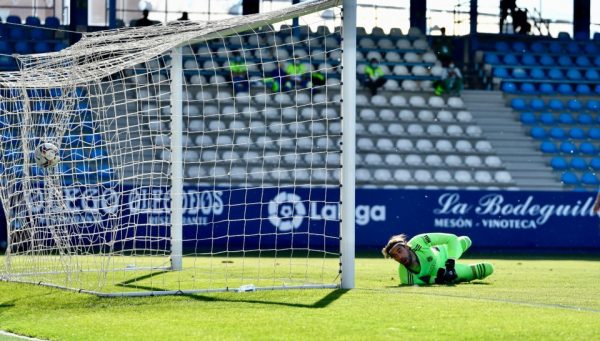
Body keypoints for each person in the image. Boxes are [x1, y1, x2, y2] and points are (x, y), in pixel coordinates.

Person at [382, 232, 494, 285]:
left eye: (400, 251)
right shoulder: (405, 277)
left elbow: (451, 238)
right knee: (487, 269)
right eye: (395, 256)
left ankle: (453, 257)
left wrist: (450, 263)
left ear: (407, 247)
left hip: (445, 252)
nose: (399, 257)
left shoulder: (418, 241)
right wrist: (440, 279)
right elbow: (425, 281)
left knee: (466, 240)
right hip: (443, 272)